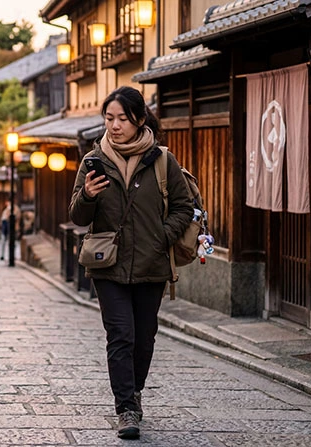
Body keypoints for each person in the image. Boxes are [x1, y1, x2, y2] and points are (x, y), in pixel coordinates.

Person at [69, 86, 193, 440]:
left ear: (139, 119)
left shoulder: (162, 160)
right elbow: (77, 215)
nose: (115, 125)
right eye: (109, 118)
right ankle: (126, 408)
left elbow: (184, 206)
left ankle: (134, 390)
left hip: (152, 264)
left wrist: (161, 237)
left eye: (122, 118)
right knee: (120, 335)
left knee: (144, 338)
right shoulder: (94, 160)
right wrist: (88, 195)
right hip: (108, 264)